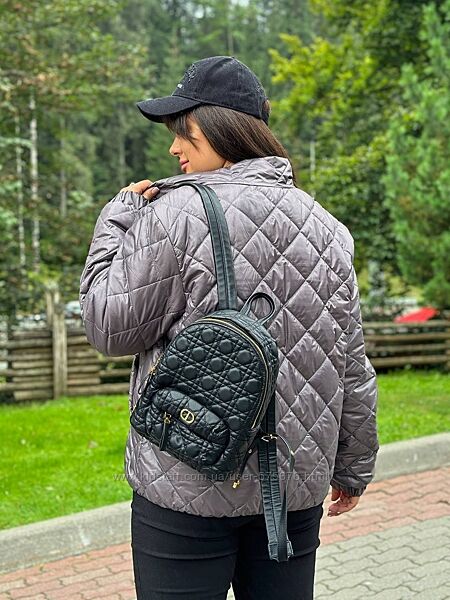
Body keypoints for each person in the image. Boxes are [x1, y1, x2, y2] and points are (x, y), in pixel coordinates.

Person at [79, 56, 379, 600]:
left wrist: (116, 220)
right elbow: (350, 361)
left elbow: (107, 326)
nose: (174, 149)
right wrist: (353, 466)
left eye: (185, 133)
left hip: (186, 479)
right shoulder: (327, 227)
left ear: (222, 129)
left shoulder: (173, 215)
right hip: (291, 487)